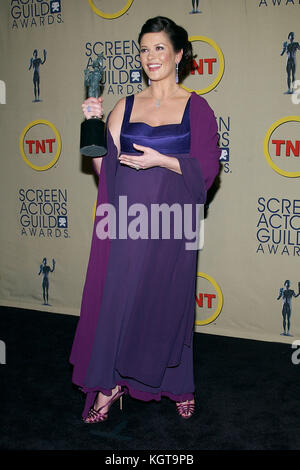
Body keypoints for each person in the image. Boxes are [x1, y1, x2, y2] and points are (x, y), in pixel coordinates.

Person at [69, 16, 221, 423]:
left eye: (159, 48)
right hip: (127, 223)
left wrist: (162, 160)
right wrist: (94, 126)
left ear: (179, 54)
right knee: (117, 302)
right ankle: (109, 384)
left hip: (172, 224)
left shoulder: (197, 108)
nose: (151, 57)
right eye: (144, 49)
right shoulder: (125, 105)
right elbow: (105, 172)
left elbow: (206, 171)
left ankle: (176, 383)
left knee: (167, 305)